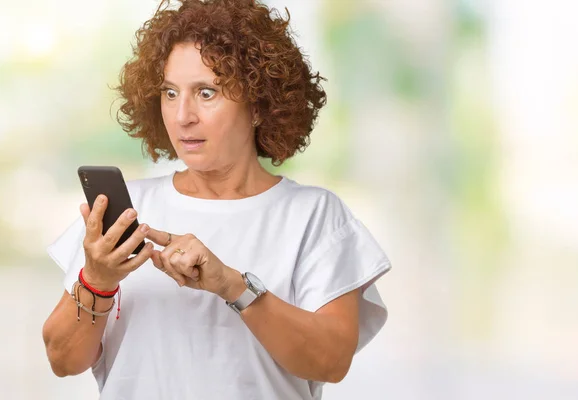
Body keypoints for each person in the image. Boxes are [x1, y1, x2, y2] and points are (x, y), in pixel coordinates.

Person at [42, 0, 391, 399]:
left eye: (206, 93)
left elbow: (331, 361)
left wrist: (232, 285)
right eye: (170, 93)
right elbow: (63, 360)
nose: (182, 115)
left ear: (259, 103)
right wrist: (98, 282)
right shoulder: (128, 211)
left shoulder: (313, 215)